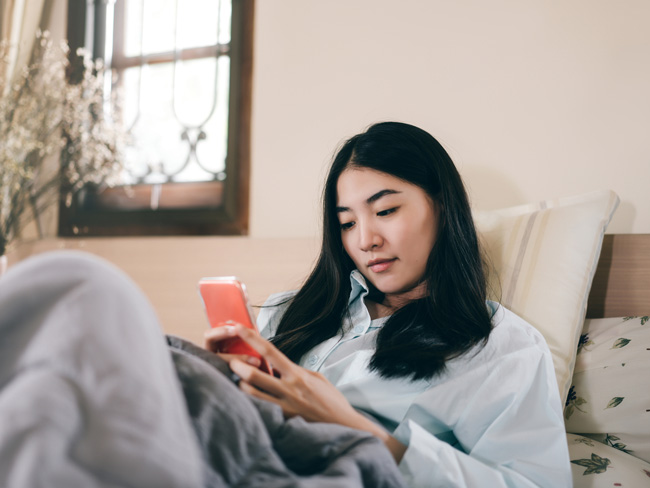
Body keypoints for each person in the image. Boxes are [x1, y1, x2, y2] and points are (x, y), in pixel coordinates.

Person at [204, 121, 572, 487]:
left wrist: (351, 428)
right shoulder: (288, 313)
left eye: (385, 212)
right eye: (347, 223)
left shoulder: (498, 347)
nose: (365, 240)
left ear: (442, 207)